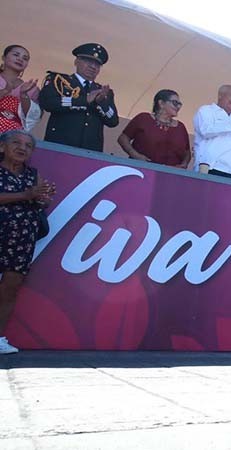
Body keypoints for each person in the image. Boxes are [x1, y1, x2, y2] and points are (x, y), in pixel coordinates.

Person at [0, 130, 55, 354]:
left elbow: (39, 202)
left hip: (22, 240)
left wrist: (43, 199)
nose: (22, 148)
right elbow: (27, 195)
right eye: (16, 143)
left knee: (10, 290)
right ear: (2, 147)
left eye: (28, 145)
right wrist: (27, 194)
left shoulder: (33, 174)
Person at [38, 43, 118, 152]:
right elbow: (48, 102)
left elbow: (113, 121)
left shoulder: (104, 92)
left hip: (89, 151)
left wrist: (100, 103)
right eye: (88, 61)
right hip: (59, 146)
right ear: (76, 61)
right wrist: (85, 100)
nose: (93, 67)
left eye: (97, 64)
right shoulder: (59, 81)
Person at [117, 89, 190, 168]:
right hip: (141, 169)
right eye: (175, 103)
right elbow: (123, 138)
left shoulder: (180, 127)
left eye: (179, 104)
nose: (178, 107)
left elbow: (187, 152)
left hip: (170, 175)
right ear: (161, 103)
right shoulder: (143, 118)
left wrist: (184, 164)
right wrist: (136, 155)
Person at [0, 45, 41, 133]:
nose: (20, 59)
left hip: (13, 136)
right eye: (16, 55)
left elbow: (32, 118)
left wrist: (23, 95)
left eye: (25, 58)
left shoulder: (32, 89)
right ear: (3, 57)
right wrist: (5, 91)